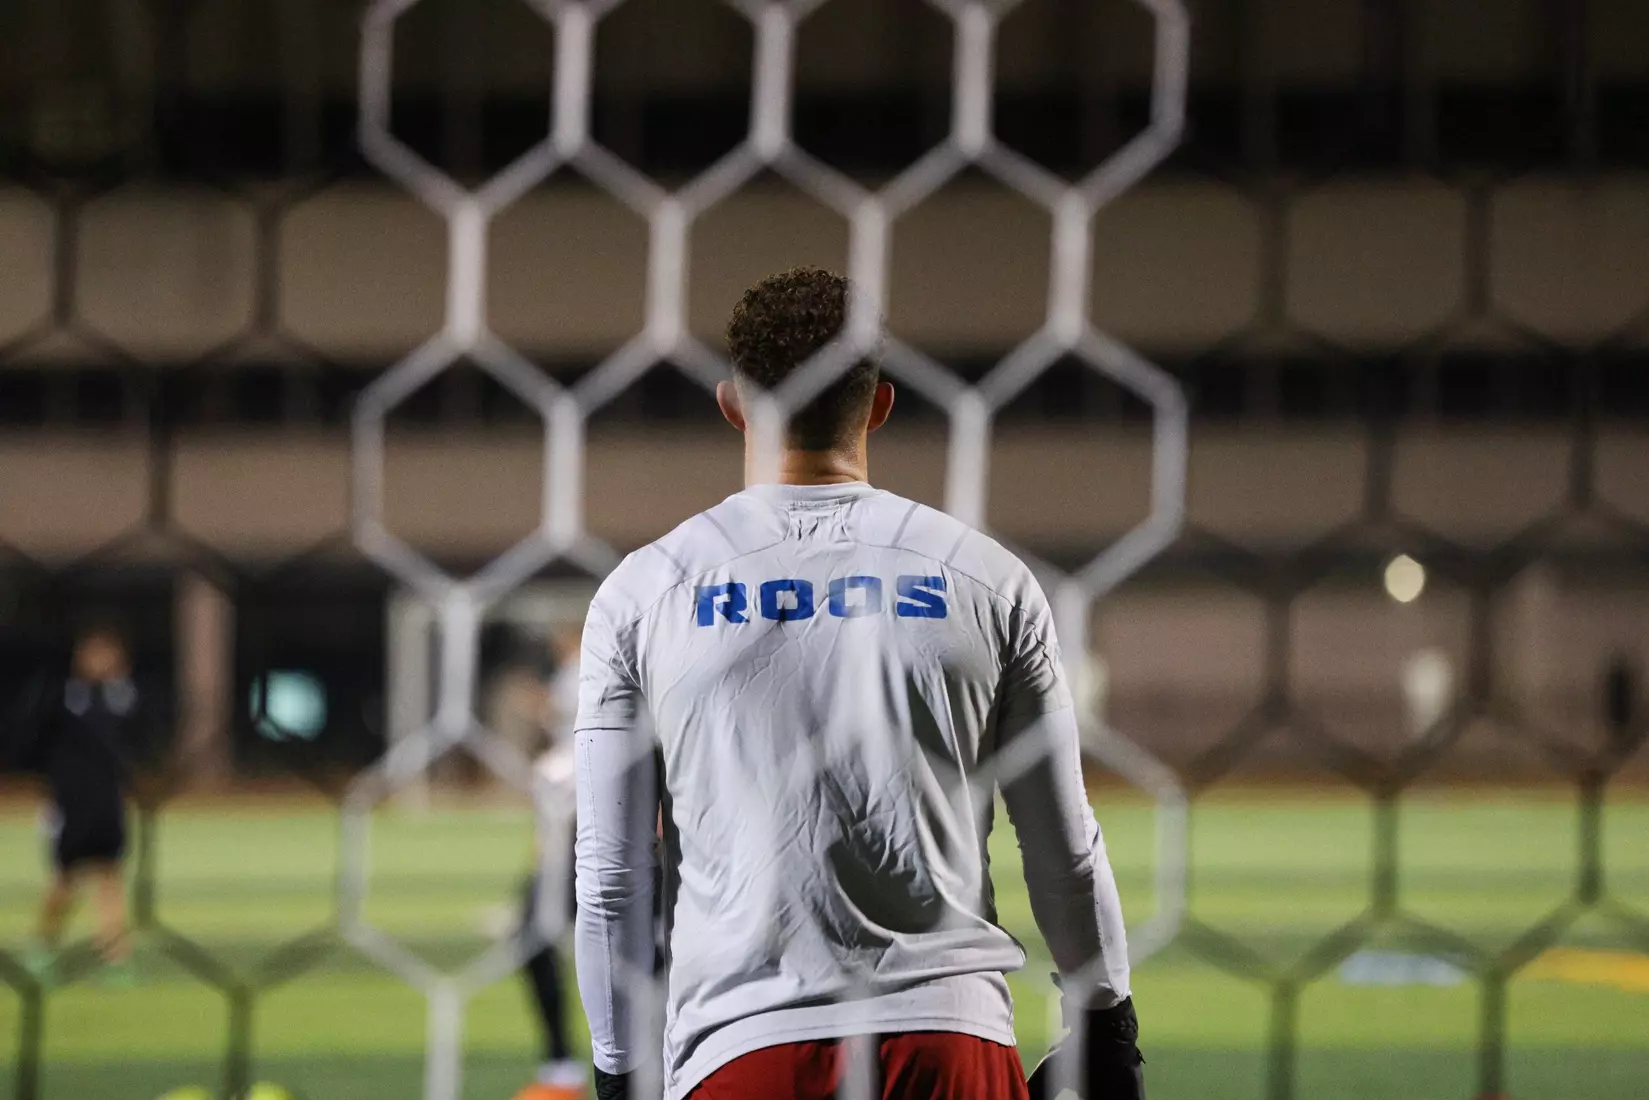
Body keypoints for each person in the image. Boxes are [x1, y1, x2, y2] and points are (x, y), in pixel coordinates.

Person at [573, 267, 1144, 1100]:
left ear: (733, 403)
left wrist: (619, 1076)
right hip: (950, 1040)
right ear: (878, 404)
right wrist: (1106, 1028)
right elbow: (1064, 847)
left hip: (744, 1045)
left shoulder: (646, 590)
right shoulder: (986, 577)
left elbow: (615, 877)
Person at [22, 624, 143, 977]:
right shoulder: (60, 700)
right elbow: (35, 744)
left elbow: (137, 735)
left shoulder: (122, 700)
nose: (101, 661)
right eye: (95, 653)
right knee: (65, 882)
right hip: (72, 803)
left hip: (108, 804)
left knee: (110, 878)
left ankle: (115, 957)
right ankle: (43, 943)